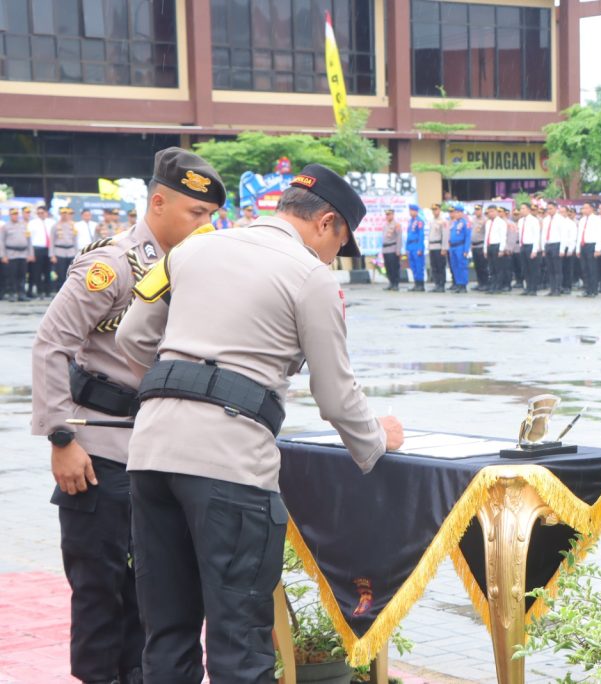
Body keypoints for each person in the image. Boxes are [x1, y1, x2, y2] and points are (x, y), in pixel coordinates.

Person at [114, 163, 405, 683]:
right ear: (326, 222)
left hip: (151, 454)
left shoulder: (192, 249)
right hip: (229, 466)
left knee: (167, 633)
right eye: (340, 242)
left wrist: (179, 394)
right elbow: (337, 396)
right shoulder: (310, 276)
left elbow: (132, 339)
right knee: (240, 642)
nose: (335, 255)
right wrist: (379, 440)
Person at [31, 147, 226, 684]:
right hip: (98, 449)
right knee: (100, 593)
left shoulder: (190, 268)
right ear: (158, 202)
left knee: (153, 593)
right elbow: (51, 343)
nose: (205, 225)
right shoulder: (112, 264)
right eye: (196, 213)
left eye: (210, 216)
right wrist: (60, 436)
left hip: (158, 449)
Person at [1, 207, 32, 301]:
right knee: (12, 275)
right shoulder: (5, 227)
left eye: (16, 214)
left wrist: (30, 254)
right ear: (10, 215)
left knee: (22, 275)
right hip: (11, 254)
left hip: (23, 254)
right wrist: (3, 255)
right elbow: (1, 242)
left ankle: (21, 294)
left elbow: (29, 240)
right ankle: (12, 294)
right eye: (13, 214)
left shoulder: (24, 225)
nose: (15, 216)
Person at [28, 204, 55, 298]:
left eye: (42, 212)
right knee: (37, 271)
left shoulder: (52, 222)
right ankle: (39, 291)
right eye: (38, 213)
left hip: (49, 249)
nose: (40, 214)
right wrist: (31, 253)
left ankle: (48, 291)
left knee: (48, 271)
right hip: (37, 249)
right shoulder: (32, 223)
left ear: (46, 213)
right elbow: (29, 240)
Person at [50, 207, 80, 292]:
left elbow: (75, 241)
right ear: (60, 214)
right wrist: (52, 255)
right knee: (60, 273)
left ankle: (69, 291)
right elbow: (52, 241)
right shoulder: (55, 226)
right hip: (59, 252)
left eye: (66, 213)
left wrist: (77, 254)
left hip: (70, 252)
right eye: (62, 213)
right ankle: (59, 291)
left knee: (70, 273)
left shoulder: (72, 226)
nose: (64, 215)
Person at [517, 202, 542, 295]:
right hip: (523, 246)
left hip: (531, 246)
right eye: (521, 208)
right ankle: (527, 287)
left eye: (523, 208)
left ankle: (533, 289)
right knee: (525, 268)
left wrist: (534, 250)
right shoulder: (520, 221)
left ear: (528, 209)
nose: (521, 210)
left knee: (533, 269)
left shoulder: (534, 220)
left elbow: (536, 236)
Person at [482, 205, 509, 293]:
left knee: (498, 268)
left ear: (496, 212)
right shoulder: (488, 222)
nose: (490, 213)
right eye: (489, 212)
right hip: (490, 246)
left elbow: (503, 237)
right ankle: (492, 286)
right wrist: (485, 249)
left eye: (492, 211)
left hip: (497, 246)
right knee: (491, 268)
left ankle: (498, 286)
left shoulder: (501, 222)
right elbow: (486, 236)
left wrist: (501, 249)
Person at [577, 201, 600, 297]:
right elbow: (579, 235)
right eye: (583, 208)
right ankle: (587, 289)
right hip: (583, 246)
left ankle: (593, 289)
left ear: (591, 208)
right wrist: (577, 249)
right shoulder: (582, 220)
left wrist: (598, 248)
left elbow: (600, 234)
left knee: (592, 269)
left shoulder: (596, 219)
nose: (584, 210)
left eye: (586, 208)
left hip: (592, 245)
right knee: (584, 269)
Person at [447, 203, 471, 293]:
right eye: (455, 212)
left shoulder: (465, 223)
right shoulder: (454, 223)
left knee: (462, 266)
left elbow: (467, 237)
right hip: (453, 247)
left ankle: (463, 285)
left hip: (460, 246)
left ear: (461, 213)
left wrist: (466, 250)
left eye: (457, 212)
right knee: (455, 266)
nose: (456, 214)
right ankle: (458, 283)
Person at [540, 203, 563, 296]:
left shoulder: (560, 219)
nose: (549, 210)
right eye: (548, 209)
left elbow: (563, 235)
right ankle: (552, 289)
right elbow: (543, 234)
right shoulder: (545, 220)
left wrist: (562, 249)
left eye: (551, 208)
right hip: (548, 245)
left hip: (557, 244)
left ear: (556, 208)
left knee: (557, 269)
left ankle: (558, 289)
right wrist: (543, 248)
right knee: (550, 269)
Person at [427, 203, 449, 292]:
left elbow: (445, 235)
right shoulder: (432, 221)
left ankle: (441, 285)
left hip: (439, 247)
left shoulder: (443, 221)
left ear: (439, 210)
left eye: (436, 209)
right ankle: (437, 284)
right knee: (434, 266)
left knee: (440, 266)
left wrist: (444, 248)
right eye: (433, 210)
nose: (434, 211)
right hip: (432, 247)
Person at [405, 204, 426, 291]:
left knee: (418, 266)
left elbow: (421, 235)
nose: (411, 212)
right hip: (411, 246)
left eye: (412, 210)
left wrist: (420, 248)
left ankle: (420, 285)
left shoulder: (419, 221)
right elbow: (408, 235)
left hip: (417, 245)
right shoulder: (410, 221)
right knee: (413, 266)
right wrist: (407, 248)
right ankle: (416, 284)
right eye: (410, 210)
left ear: (416, 211)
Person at [381, 208, 403, 291]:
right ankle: (390, 282)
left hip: (393, 249)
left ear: (393, 215)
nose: (387, 216)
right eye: (386, 215)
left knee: (394, 267)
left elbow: (399, 238)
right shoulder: (385, 225)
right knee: (388, 267)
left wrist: (398, 250)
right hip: (386, 250)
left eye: (389, 214)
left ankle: (395, 284)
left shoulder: (396, 225)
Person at [470, 204, 489, 291]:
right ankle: (480, 282)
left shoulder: (485, 220)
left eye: (478, 210)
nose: (477, 211)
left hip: (481, 245)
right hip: (474, 245)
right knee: (477, 266)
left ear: (482, 210)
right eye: (476, 210)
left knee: (483, 266)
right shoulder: (473, 220)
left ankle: (485, 283)